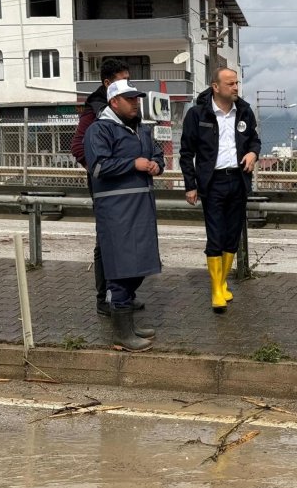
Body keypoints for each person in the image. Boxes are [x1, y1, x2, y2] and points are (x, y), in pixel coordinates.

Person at [84, 79, 163, 352]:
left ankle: (128, 325)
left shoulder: (142, 129)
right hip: (116, 211)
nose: (135, 103)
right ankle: (122, 332)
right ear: (114, 102)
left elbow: (157, 154)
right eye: (130, 99)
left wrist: (157, 165)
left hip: (141, 208)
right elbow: (98, 167)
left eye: (136, 98)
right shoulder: (99, 130)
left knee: (140, 266)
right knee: (120, 269)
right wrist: (133, 164)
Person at [179, 67, 261, 313]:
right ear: (215, 87)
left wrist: (252, 153)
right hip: (212, 183)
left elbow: (254, 139)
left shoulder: (244, 111)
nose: (236, 87)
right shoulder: (197, 114)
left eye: (236, 83)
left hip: (238, 180)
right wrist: (190, 185)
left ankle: (222, 281)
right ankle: (216, 289)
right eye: (230, 84)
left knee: (232, 236)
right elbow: (186, 152)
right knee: (215, 236)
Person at [71, 58, 141, 318]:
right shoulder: (94, 112)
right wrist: (100, 170)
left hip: (129, 187)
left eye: (129, 79)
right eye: (122, 80)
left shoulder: (128, 108)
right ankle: (104, 298)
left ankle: (124, 294)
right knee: (106, 241)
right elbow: (78, 147)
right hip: (107, 189)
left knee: (129, 239)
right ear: (107, 83)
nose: (128, 84)